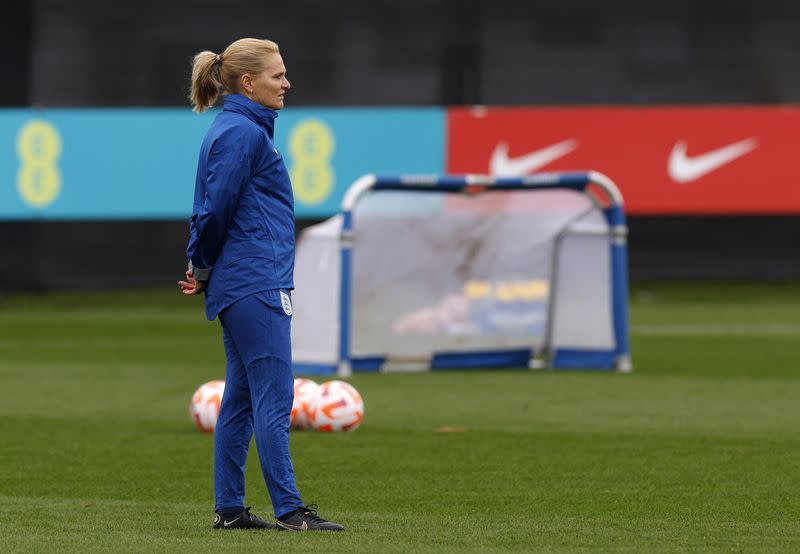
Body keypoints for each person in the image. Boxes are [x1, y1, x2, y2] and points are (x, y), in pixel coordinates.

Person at [178, 37, 343, 532]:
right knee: (273, 399)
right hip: (257, 282)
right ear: (248, 83)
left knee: (241, 400)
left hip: (244, 281)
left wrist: (204, 265)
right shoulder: (243, 134)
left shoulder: (236, 130)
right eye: (278, 75)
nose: (287, 83)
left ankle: (230, 510)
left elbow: (211, 206)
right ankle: (291, 512)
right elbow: (215, 209)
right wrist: (201, 263)